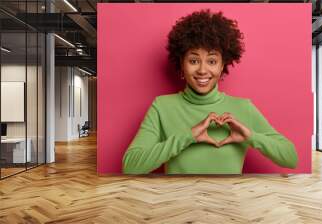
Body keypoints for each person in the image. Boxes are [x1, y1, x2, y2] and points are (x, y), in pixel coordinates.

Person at [122, 9, 298, 174]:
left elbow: (291, 158)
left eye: (212, 61)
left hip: (228, 204)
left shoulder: (244, 107)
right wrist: (187, 136)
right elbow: (130, 166)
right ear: (181, 63)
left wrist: (251, 137)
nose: (202, 70)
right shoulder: (162, 106)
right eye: (193, 60)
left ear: (223, 65)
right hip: (178, 204)